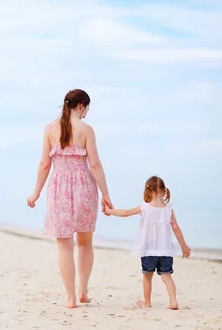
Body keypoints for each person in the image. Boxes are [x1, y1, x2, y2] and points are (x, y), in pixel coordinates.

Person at [27, 89, 113, 309]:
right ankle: (83, 292)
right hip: (84, 187)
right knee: (85, 243)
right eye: (87, 108)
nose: (87, 113)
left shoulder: (50, 129)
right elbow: (94, 165)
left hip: (59, 188)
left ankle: (70, 298)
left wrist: (36, 192)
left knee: (64, 245)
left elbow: (44, 164)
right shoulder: (86, 130)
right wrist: (105, 194)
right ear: (82, 105)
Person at [104, 176, 191, 310]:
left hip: (148, 249)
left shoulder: (144, 208)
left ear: (148, 191)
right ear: (164, 191)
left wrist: (109, 211)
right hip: (165, 250)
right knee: (166, 276)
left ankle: (147, 302)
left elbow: (125, 213)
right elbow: (175, 228)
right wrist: (184, 247)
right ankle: (173, 301)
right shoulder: (169, 210)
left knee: (147, 276)